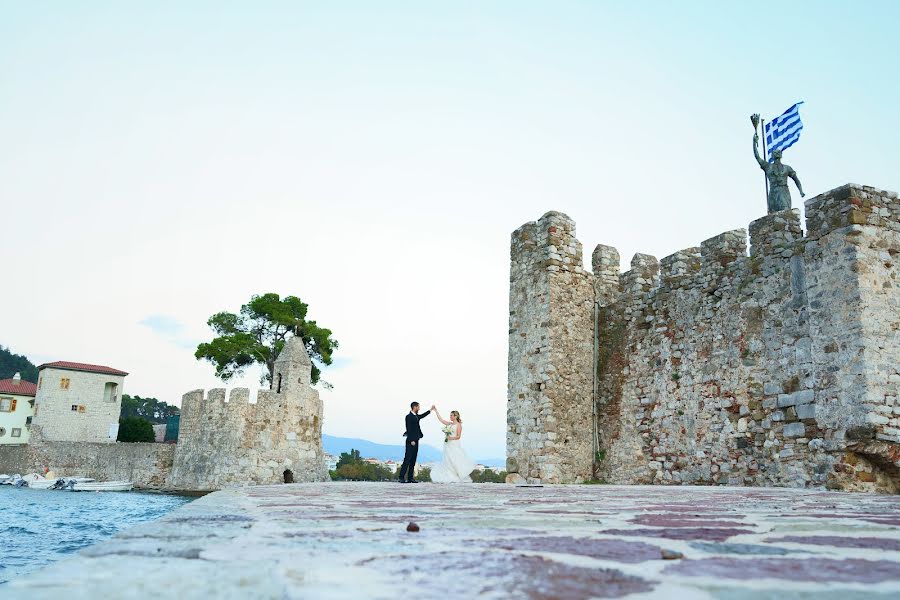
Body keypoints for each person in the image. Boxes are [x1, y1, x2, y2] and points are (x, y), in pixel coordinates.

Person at [430, 407, 476, 483]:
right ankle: (449, 474)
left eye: (451, 415)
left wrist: (450, 438)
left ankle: (456, 475)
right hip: (447, 444)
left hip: (454, 444)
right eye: (450, 415)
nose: (450, 417)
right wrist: (436, 411)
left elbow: (458, 436)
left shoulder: (459, 425)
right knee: (447, 460)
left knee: (454, 459)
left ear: (456, 416)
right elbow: (442, 420)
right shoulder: (450, 424)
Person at [398, 401, 432, 483]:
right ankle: (401, 477)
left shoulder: (416, 416)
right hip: (411, 441)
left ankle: (410, 478)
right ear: (415, 407)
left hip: (416, 440)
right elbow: (408, 428)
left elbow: (422, 416)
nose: (419, 408)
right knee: (407, 459)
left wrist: (430, 410)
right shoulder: (408, 416)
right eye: (418, 407)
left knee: (413, 460)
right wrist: (411, 440)